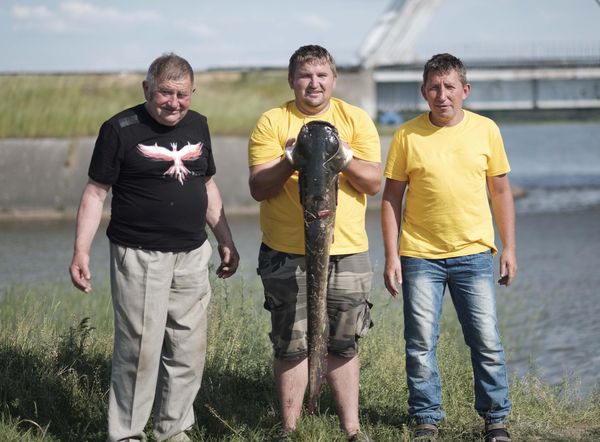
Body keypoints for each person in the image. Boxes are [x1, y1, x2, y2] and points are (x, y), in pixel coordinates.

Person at [68, 53, 239, 442]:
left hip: (193, 254)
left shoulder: (199, 125)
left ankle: (172, 430)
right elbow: (96, 193)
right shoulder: (119, 129)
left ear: (192, 93)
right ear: (147, 89)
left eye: (182, 95)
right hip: (140, 254)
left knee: (188, 348)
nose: (173, 103)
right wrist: (81, 251)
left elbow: (207, 184)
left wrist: (225, 239)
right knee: (140, 350)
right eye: (165, 93)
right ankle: (127, 434)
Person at [248, 45, 381, 441]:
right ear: (292, 81)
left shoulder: (355, 119)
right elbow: (258, 187)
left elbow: (374, 183)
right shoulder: (272, 121)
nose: (314, 83)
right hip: (286, 250)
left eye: (322, 75)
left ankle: (352, 430)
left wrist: (343, 157)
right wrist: (293, 159)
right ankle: (288, 429)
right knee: (291, 341)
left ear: (334, 80)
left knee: (344, 338)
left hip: (348, 250)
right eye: (305, 75)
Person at [381, 53, 516, 442]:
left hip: (474, 253)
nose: (443, 95)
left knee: (486, 341)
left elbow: (502, 192)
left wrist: (509, 248)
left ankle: (495, 420)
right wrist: (392, 256)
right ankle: (425, 418)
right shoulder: (406, 135)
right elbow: (390, 199)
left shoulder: (486, 130)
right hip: (420, 254)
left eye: (450, 87)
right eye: (435, 88)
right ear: (424, 92)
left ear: (465, 90)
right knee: (420, 343)